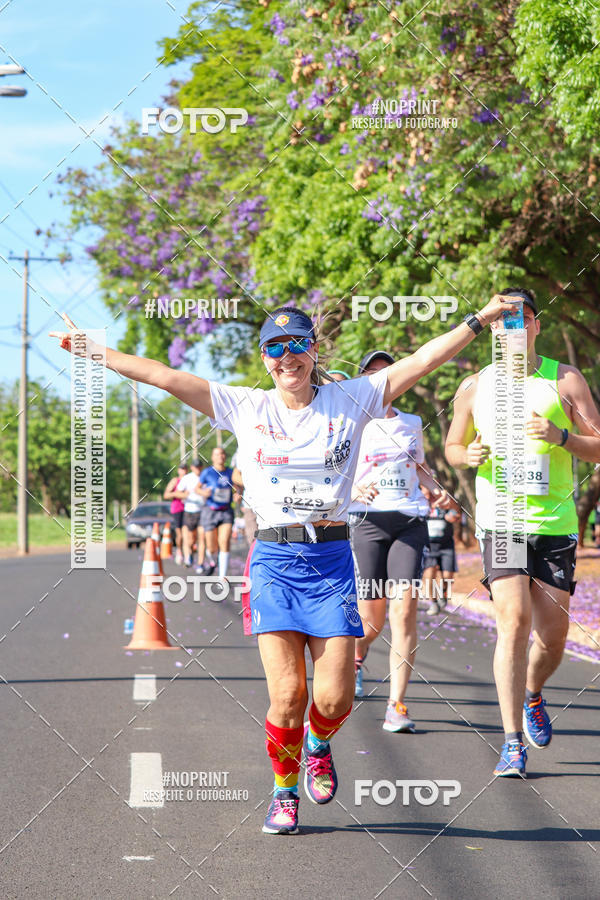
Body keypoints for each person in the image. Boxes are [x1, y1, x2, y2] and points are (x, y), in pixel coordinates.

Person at [51, 295, 515, 834]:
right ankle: (284, 790)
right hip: (274, 560)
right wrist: (92, 350)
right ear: (264, 356)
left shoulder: (352, 399)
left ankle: (318, 744)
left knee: (334, 697)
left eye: (297, 344)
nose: (287, 356)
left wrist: (478, 320)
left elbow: (424, 360)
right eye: (275, 346)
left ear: (313, 351)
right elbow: (163, 374)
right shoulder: (246, 407)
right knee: (288, 694)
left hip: (333, 560)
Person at [445, 287, 600, 777]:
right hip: (503, 521)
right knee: (512, 623)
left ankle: (533, 692)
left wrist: (561, 437)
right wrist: (463, 456)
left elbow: (598, 446)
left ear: (536, 325)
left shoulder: (565, 380)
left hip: (554, 525)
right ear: (491, 328)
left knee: (552, 639)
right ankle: (512, 741)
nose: (511, 328)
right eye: (502, 320)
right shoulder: (474, 386)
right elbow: (452, 442)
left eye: (521, 319)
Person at [349, 350, 453, 733]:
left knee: (404, 610)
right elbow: (334, 470)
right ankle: (358, 658)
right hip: (367, 523)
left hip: (410, 520)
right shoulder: (352, 423)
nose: (380, 380)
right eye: (372, 374)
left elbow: (419, 466)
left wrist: (436, 489)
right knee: (370, 618)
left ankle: (397, 704)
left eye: (386, 374)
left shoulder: (412, 422)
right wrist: (356, 488)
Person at [421, 485, 461, 616]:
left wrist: (453, 515)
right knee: (429, 575)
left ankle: (443, 594)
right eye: (425, 487)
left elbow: (457, 513)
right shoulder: (419, 501)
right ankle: (433, 603)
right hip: (428, 545)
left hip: (446, 544)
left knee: (448, 576)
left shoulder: (444, 500)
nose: (429, 491)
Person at [198, 446, 235, 577]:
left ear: (225, 456)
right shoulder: (207, 472)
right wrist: (203, 492)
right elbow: (197, 488)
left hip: (226, 511)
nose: (220, 456)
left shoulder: (231, 472)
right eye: (217, 454)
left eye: (222, 454)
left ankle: (222, 577)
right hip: (210, 511)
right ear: (213, 457)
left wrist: (238, 494)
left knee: (224, 541)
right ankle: (213, 560)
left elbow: (238, 486)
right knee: (212, 547)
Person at [173, 459, 206, 570]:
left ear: (201, 467)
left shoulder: (205, 476)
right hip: (189, 511)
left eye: (199, 466)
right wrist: (184, 495)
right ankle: (189, 554)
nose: (197, 468)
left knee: (202, 537)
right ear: (192, 467)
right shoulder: (187, 478)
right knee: (190, 539)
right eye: (195, 466)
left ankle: (200, 563)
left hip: (202, 510)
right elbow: (177, 493)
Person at [163, 462, 188, 565]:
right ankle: (179, 551)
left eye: (185, 469)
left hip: (188, 509)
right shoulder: (175, 481)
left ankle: (187, 554)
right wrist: (177, 494)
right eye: (181, 469)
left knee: (187, 533)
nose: (183, 471)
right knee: (180, 534)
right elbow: (166, 495)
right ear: (178, 470)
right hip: (177, 509)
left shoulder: (190, 480)